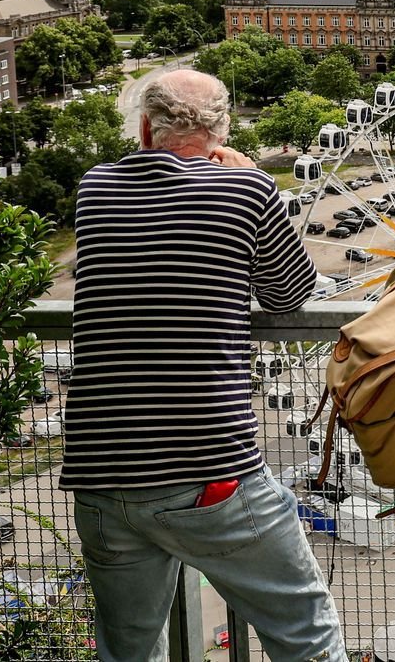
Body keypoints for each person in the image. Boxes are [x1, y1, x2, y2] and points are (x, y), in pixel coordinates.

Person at [63, 70, 345, 662]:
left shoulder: (95, 188)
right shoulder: (246, 190)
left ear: (144, 127)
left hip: (101, 475)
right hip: (208, 471)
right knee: (305, 629)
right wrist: (254, 180)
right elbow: (289, 294)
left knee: (129, 648)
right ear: (222, 131)